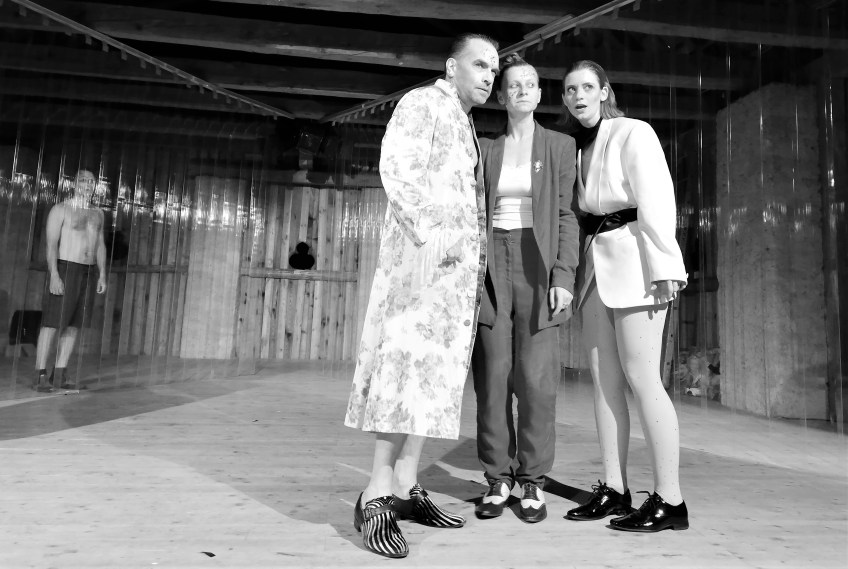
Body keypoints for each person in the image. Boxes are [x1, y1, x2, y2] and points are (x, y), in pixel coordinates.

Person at [344, 33, 499, 558]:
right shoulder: (423, 102)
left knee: (431, 381)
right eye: (479, 64)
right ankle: (376, 492)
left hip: (452, 282)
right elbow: (399, 171)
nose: (488, 76)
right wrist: (433, 239)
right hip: (420, 269)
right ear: (452, 66)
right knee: (402, 372)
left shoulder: (464, 120)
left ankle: (407, 485)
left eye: (493, 69)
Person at [560, 60, 689, 532]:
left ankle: (670, 500)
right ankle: (615, 488)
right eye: (569, 89)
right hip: (596, 266)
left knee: (643, 378)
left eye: (586, 87)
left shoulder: (634, 131)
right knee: (603, 381)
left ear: (604, 91)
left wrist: (666, 265)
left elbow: (657, 198)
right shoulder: (577, 146)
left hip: (638, 264)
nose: (578, 96)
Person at [472, 54, 579, 524]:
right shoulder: (486, 149)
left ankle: (532, 479)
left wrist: (563, 277)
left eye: (529, 84)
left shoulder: (559, 145)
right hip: (491, 262)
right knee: (493, 377)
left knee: (537, 381)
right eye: (512, 85)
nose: (521, 90)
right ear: (501, 96)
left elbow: (567, 215)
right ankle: (498, 477)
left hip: (539, 263)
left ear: (538, 94)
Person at [33, 169, 107, 392]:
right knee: (52, 322)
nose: (88, 185)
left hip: (87, 271)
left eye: (91, 182)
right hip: (66, 267)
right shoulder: (61, 209)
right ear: (74, 184)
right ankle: (40, 375)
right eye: (83, 181)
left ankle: (60, 373)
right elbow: (51, 245)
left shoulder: (97, 213)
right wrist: (54, 274)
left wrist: (102, 273)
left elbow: (100, 244)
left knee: (74, 324)